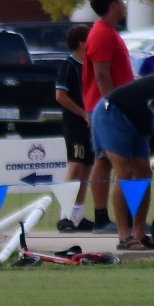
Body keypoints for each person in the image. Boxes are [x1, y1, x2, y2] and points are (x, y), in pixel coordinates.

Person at [91, 69, 154, 250]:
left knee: (144, 172)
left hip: (136, 122)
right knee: (125, 172)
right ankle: (124, 235)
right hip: (112, 112)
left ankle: (139, 233)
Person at [81, 0, 134, 234]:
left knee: (104, 159)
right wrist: (110, 105)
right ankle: (104, 217)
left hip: (109, 105)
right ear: (113, 6)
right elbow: (101, 75)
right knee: (112, 161)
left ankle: (110, 216)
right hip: (106, 106)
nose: (125, 6)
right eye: (122, 2)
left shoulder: (109, 31)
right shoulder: (101, 33)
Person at [53, 23, 93, 231]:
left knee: (87, 168)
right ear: (82, 42)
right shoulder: (68, 65)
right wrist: (82, 112)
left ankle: (77, 216)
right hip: (75, 124)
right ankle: (65, 215)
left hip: (91, 124)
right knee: (75, 166)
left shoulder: (92, 65)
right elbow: (60, 95)